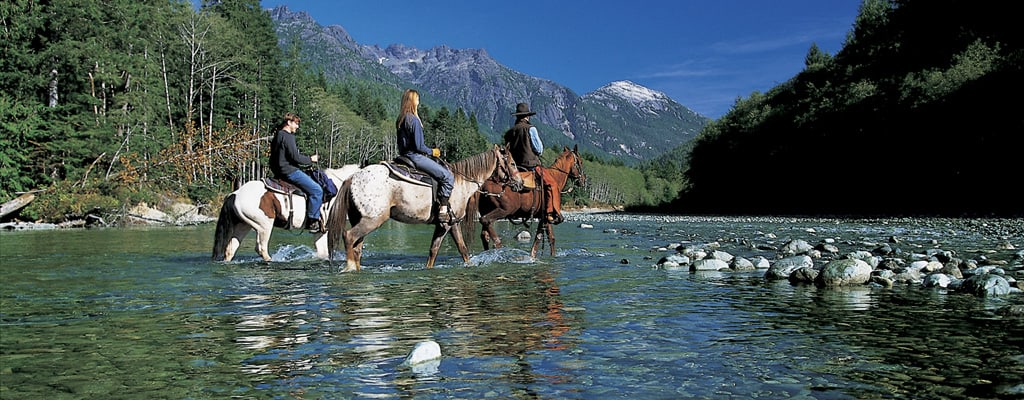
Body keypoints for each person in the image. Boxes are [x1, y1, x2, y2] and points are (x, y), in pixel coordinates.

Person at [395, 89, 455, 223]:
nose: (419, 101)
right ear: (412, 101)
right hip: (415, 157)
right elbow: (419, 147)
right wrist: (433, 152)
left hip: (403, 155)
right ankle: (443, 210)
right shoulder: (414, 120)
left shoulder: (401, 119)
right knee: (447, 176)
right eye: (417, 99)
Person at [503, 103, 562, 224]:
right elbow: (539, 149)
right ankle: (550, 213)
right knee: (552, 184)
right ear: (527, 116)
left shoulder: (510, 132)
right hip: (531, 165)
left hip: (515, 167)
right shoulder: (531, 129)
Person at [270, 112, 324, 233]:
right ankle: (313, 221)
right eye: (296, 123)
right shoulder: (288, 137)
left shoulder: (278, 135)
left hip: (279, 172)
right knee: (317, 190)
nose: (297, 127)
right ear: (289, 123)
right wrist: (311, 160)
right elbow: (295, 157)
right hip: (289, 171)